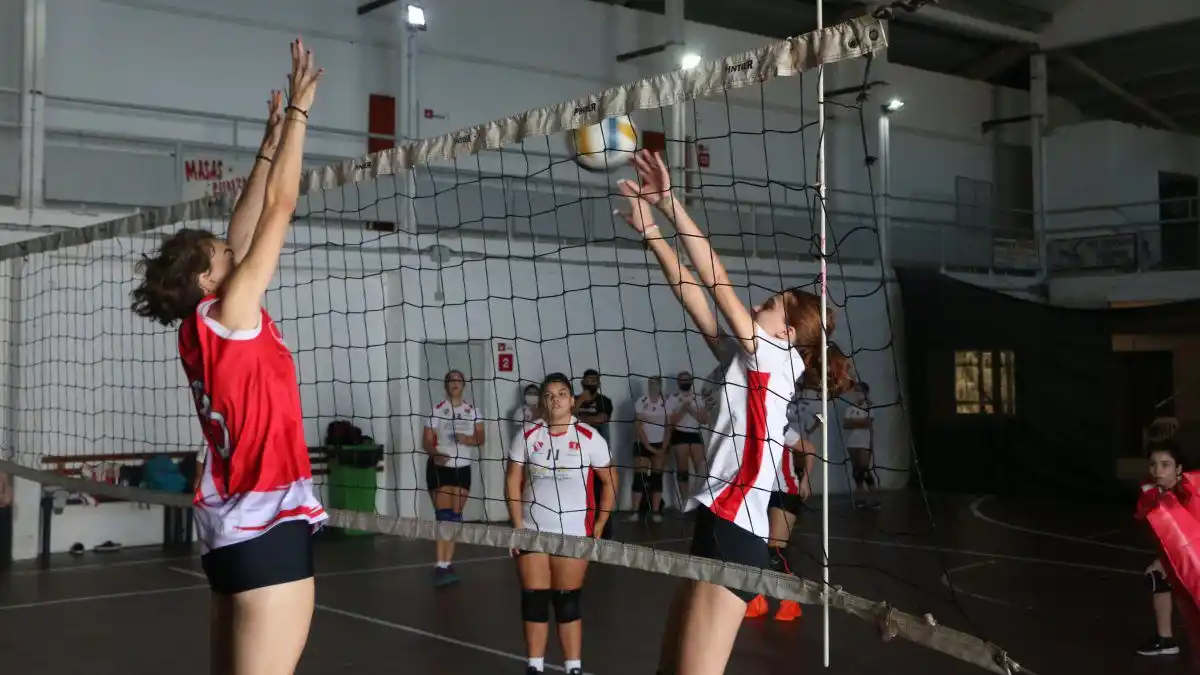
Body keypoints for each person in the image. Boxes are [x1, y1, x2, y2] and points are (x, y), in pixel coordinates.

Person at [130, 40, 325, 675]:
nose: (231, 248)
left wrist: (266, 145)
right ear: (213, 283)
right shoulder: (234, 315)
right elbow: (279, 209)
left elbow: (242, 227)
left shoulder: (199, 325)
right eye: (221, 253)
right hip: (268, 527)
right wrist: (298, 114)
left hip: (230, 534)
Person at [614, 149, 838, 675]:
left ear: (787, 332)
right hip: (719, 522)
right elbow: (693, 294)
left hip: (736, 531)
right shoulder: (750, 357)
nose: (762, 301)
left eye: (774, 303)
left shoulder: (777, 357)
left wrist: (671, 204)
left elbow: (716, 280)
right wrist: (651, 231)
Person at [506, 372, 617, 675]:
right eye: (549, 395)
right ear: (542, 402)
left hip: (572, 533)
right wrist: (517, 526)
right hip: (532, 530)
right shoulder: (528, 435)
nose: (555, 399)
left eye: (562, 394)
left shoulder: (590, 438)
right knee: (534, 601)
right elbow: (513, 479)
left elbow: (610, 483)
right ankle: (535, 666)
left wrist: (599, 526)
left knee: (567, 602)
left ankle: (573, 667)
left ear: (572, 400)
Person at [745, 354, 850, 621]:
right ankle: (758, 600)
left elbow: (809, 448)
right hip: (761, 492)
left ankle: (792, 602)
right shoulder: (752, 424)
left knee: (775, 552)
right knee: (757, 550)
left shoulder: (780, 426)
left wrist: (804, 480)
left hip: (785, 490)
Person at [422, 369, 485, 587]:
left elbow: (481, 437)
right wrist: (436, 454)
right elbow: (426, 442)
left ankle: (447, 563)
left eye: (458, 380)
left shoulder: (472, 410)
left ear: (464, 384)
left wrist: (467, 439)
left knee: (455, 518)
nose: (455, 383)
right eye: (451, 380)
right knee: (444, 517)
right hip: (442, 467)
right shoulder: (437, 410)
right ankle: (440, 566)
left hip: (463, 468)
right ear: (446, 385)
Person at [1138, 440, 1186, 657]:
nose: (1157, 470)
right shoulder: (1154, 494)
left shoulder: (1190, 494)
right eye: (1153, 464)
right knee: (1157, 576)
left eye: (1165, 465)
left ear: (1178, 469)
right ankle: (1165, 640)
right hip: (1184, 554)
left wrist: (1168, 561)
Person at [574, 368, 614, 537]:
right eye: (588, 379)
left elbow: (601, 419)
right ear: (582, 381)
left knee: (602, 491)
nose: (591, 383)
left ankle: (604, 532)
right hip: (576, 453)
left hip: (599, 455)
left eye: (594, 380)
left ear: (598, 382)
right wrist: (579, 402)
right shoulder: (575, 400)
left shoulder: (604, 401)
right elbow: (566, 417)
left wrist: (579, 419)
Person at [630, 375, 670, 522]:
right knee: (639, 479)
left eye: (655, 384)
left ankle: (656, 512)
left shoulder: (666, 402)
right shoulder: (641, 401)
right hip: (642, 444)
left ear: (660, 385)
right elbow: (638, 425)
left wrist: (663, 448)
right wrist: (647, 445)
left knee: (657, 478)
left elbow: (669, 427)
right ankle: (634, 512)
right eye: (650, 383)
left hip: (659, 444)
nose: (652, 386)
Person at [666, 371, 708, 506]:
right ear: (678, 382)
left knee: (700, 469)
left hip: (695, 434)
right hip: (679, 434)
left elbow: (704, 420)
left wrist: (690, 409)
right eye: (682, 380)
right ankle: (685, 501)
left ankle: (701, 501)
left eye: (687, 379)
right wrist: (684, 408)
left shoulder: (698, 398)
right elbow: (671, 421)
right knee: (682, 469)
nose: (685, 382)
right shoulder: (672, 399)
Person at [843, 381, 878, 509]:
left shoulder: (869, 406)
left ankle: (875, 497)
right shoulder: (850, 407)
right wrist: (858, 422)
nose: (856, 393)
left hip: (865, 441)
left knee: (865, 469)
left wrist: (854, 422)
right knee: (856, 471)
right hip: (852, 442)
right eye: (855, 390)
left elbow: (867, 422)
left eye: (859, 390)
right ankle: (860, 498)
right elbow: (845, 424)